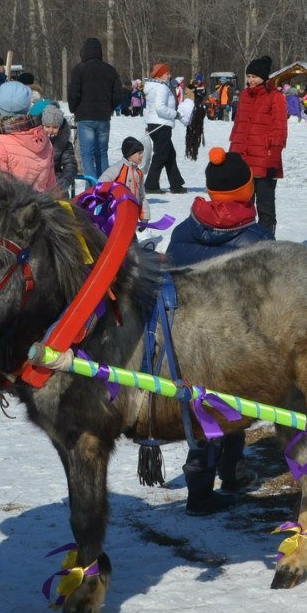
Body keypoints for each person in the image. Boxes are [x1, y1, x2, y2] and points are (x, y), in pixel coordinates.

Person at [166, 148, 270, 513]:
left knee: (202, 408)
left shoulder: (181, 232)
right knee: (235, 401)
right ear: (247, 190)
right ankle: (228, 471)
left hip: (188, 340)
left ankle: (204, 482)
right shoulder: (257, 240)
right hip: (237, 344)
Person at [228, 55, 287, 235]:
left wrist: (274, 155)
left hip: (264, 159)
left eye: (254, 76)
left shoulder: (275, 97)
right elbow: (238, 125)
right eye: (248, 76)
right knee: (243, 204)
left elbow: (280, 129)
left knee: (265, 205)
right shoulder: (244, 95)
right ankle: (244, 238)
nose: (250, 80)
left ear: (263, 77)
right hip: (243, 158)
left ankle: (266, 241)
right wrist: (232, 153)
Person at [0, 80, 57, 192]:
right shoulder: (42, 138)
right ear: (28, 104)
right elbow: (51, 186)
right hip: (41, 206)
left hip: (13, 207)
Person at [65, 38, 121, 177]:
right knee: (102, 152)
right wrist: (109, 108)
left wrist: (74, 108)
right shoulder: (110, 70)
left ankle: (91, 187)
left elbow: (73, 93)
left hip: (85, 117)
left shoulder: (79, 69)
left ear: (83, 52)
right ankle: (104, 185)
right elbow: (118, 94)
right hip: (103, 117)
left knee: (87, 154)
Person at [143, 63, 185, 194]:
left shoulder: (153, 87)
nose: (170, 75)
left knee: (169, 154)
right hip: (161, 125)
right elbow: (160, 108)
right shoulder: (161, 88)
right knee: (161, 155)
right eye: (167, 73)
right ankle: (150, 185)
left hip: (156, 123)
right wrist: (175, 114)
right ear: (160, 75)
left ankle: (176, 184)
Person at [100, 136, 149, 223]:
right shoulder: (118, 167)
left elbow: (141, 196)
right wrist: (112, 198)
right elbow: (102, 182)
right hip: (116, 213)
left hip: (132, 212)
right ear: (130, 154)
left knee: (131, 235)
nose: (141, 156)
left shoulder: (139, 173)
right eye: (139, 153)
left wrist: (144, 217)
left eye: (142, 153)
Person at [42, 103, 77, 195]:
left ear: (60, 128)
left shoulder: (64, 144)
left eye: (55, 127)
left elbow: (70, 165)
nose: (50, 130)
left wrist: (65, 180)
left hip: (55, 180)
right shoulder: (35, 141)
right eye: (47, 126)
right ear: (42, 126)